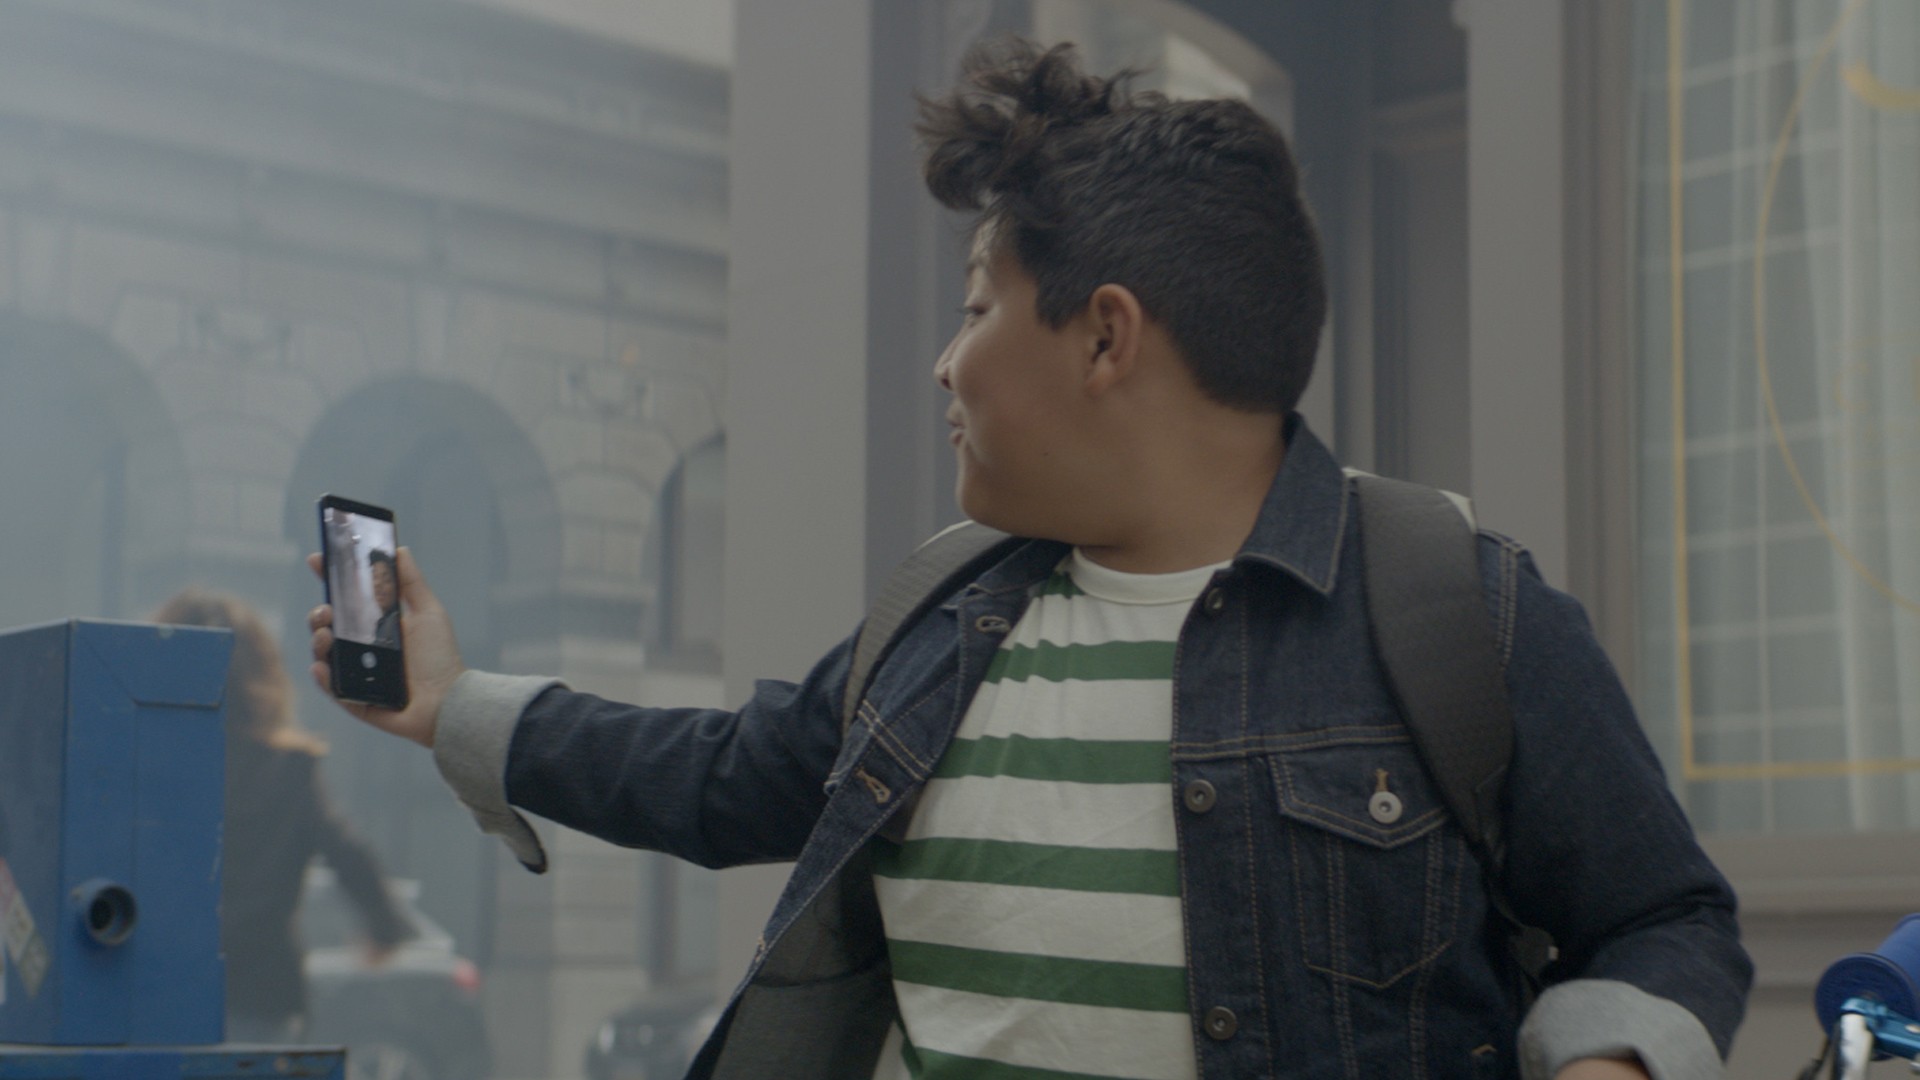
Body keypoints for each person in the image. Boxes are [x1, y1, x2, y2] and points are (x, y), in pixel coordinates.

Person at [305, 39, 1750, 1080]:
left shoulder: (1459, 613)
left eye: (982, 303)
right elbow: (722, 769)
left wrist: (1614, 1064)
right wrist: (452, 704)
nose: (946, 360)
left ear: (1106, 336)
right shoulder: (941, 618)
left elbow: (1663, 916)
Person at [154, 588, 412, 1044]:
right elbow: (347, 851)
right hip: (262, 989)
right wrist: (384, 928)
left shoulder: (152, 761)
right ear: (261, 673)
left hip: (162, 986)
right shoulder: (289, 769)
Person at [367, 548, 401, 649]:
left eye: (386, 579)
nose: (378, 584)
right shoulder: (383, 624)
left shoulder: (395, 623)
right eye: (375, 577)